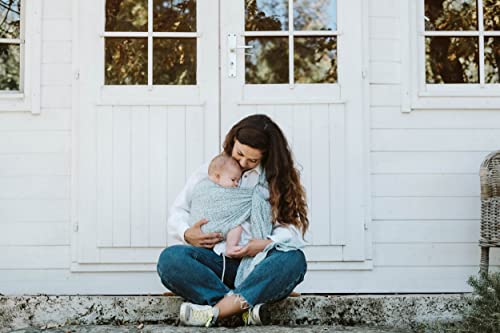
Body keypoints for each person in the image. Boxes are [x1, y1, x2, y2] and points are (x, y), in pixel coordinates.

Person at [157, 114, 309, 327]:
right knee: (170, 259)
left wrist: (263, 245)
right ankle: (243, 304)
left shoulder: (275, 181)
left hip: (257, 263)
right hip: (216, 263)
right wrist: (186, 233)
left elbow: (291, 231)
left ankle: (216, 310)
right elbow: (178, 212)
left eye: (253, 160)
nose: (243, 163)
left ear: (266, 157)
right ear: (232, 143)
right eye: (239, 154)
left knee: (294, 260)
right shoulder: (212, 171)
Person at [190, 153, 245, 256]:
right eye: (233, 180)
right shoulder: (204, 186)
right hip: (202, 230)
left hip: (209, 243)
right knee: (237, 224)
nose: (237, 184)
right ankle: (231, 246)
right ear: (217, 176)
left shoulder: (204, 183)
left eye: (238, 180)